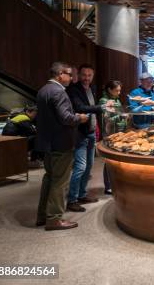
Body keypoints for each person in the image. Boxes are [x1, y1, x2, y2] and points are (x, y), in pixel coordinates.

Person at [36, 62, 88, 230]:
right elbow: (66, 118)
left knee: (49, 178)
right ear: (59, 74)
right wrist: (79, 118)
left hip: (47, 143)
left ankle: (43, 215)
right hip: (61, 144)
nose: (72, 78)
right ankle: (54, 219)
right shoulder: (58, 92)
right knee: (60, 182)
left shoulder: (43, 90)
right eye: (69, 74)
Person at [66, 64, 114, 212]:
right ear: (79, 75)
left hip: (92, 132)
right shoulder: (73, 90)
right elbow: (79, 107)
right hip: (80, 133)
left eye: (89, 75)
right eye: (84, 75)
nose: (87, 78)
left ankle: (82, 194)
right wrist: (102, 108)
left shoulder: (92, 88)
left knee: (88, 166)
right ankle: (72, 199)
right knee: (80, 167)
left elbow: (92, 109)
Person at [99, 80, 124, 195]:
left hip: (118, 132)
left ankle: (115, 183)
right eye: (116, 90)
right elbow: (106, 120)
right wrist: (120, 116)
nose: (119, 93)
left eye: (120, 90)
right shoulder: (104, 101)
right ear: (109, 90)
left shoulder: (116, 100)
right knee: (109, 160)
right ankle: (108, 186)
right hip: (109, 133)